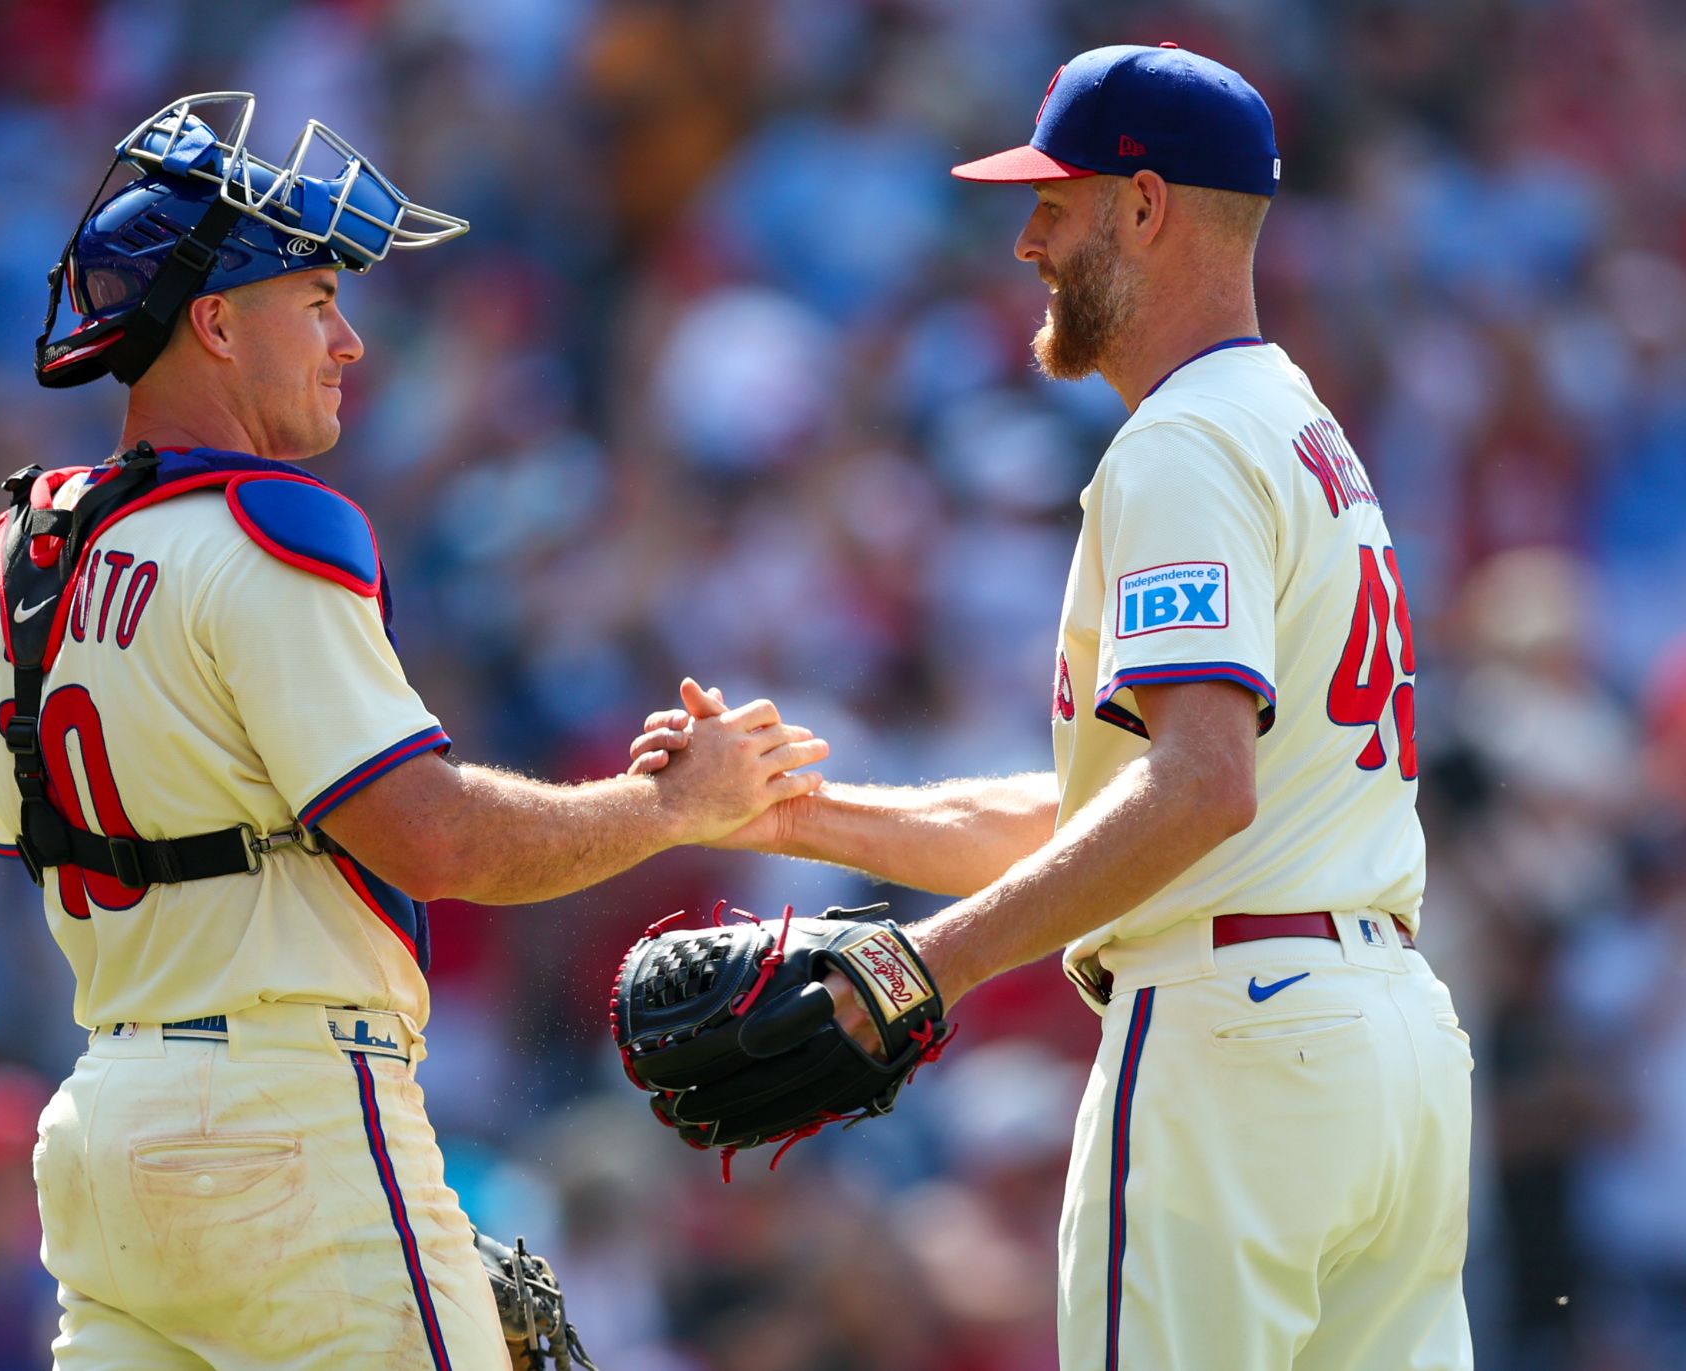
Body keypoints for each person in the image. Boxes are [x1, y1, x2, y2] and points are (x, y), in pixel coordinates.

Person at [0, 94, 825, 1370]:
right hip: (288, 1115)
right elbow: (435, 841)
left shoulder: (6, 579)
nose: (349, 339)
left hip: (104, 1128)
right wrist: (676, 808)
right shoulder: (264, 530)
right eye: (315, 301)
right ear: (214, 322)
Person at [631, 44, 1473, 1371]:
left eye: (1056, 201)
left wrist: (930, 963)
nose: (1024, 240)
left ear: (1145, 207)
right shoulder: (1294, 422)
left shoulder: (1185, 441)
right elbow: (1121, 817)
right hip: (1383, 1047)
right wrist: (795, 809)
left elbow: (1198, 786)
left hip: (1229, 1036)